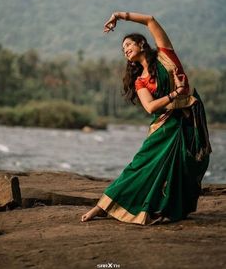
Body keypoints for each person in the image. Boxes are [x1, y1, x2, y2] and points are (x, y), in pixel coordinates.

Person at [81, 12, 212, 225]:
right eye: (123, 49)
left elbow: (150, 20)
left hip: (190, 119)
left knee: (190, 164)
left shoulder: (165, 55)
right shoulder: (140, 81)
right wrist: (174, 94)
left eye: (128, 45)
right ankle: (103, 206)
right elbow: (151, 107)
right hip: (165, 126)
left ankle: (170, 208)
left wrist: (119, 15)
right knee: (140, 165)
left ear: (142, 44)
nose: (125, 50)